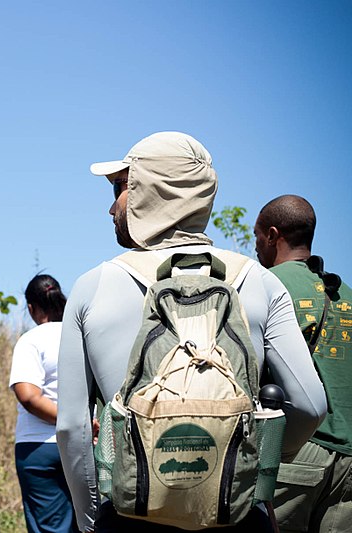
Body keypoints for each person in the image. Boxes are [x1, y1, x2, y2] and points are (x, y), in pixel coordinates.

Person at [56, 131, 328, 532]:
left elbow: (72, 429)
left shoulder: (93, 286)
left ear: (149, 189)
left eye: (120, 187)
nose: (111, 206)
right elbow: (310, 405)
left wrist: (90, 518)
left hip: (132, 512)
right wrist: (250, 459)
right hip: (232, 511)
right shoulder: (258, 281)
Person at [254, 195, 352, 532]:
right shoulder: (346, 293)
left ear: (272, 234)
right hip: (349, 463)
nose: (256, 246)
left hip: (295, 453)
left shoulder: (266, 285)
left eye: (256, 236)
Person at [10, 274, 77, 533]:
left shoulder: (31, 340)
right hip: (83, 444)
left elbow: (29, 396)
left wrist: (66, 420)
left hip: (38, 447)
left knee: (51, 527)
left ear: (31, 307)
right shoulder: (82, 335)